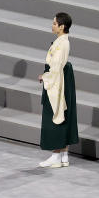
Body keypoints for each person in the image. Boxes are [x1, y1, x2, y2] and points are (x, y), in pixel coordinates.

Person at [38, 12, 79, 168]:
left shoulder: (62, 44)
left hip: (57, 80)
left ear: (62, 27)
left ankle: (56, 154)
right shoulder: (61, 41)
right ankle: (64, 155)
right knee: (63, 112)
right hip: (62, 78)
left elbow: (56, 67)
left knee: (56, 112)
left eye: (55, 23)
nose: (52, 25)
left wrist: (45, 77)